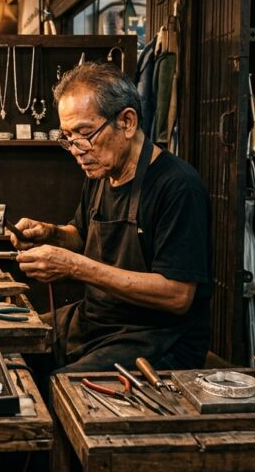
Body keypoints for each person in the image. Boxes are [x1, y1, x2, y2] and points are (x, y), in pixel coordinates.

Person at [11, 62, 211, 373]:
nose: (77, 149)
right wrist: (50, 233)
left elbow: (178, 295)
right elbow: (80, 234)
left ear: (127, 121)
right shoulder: (101, 172)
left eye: (85, 133)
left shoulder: (177, 186)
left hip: (153, 336)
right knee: (10, 349)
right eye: (67, 137)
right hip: (95, 321)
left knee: (61, 389)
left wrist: (74, 266)